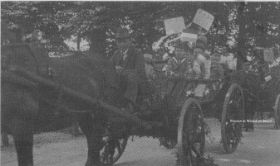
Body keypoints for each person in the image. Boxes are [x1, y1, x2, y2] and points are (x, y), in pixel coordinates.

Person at [111, 28, 147, 111]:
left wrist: (121, 71)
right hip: (122, 81)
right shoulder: (116, 54)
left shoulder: (137, 53)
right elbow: (109, 67)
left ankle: (129, 103)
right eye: (119, 42)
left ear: (130, 41)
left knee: (132, 76)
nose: (122, 44)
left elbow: (139, 71)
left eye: (124, 41)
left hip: (138, 82)